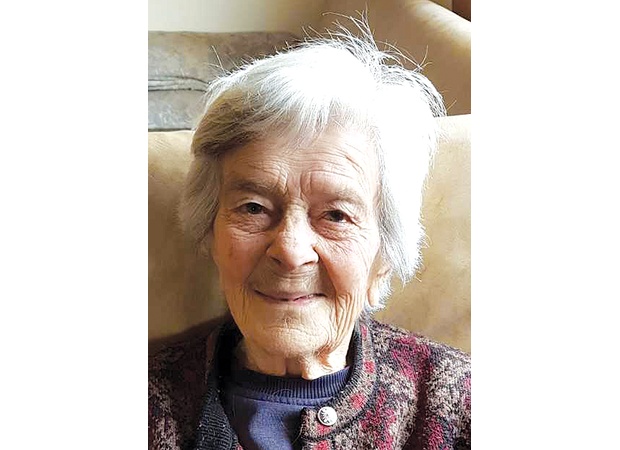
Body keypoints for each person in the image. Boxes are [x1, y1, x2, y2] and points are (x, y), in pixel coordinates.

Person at [148, 22, 471, 450]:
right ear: (211, 232)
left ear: (384, 258)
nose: (291, 250)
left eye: (336, 215)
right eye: (253, 208)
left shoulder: (456, 403)